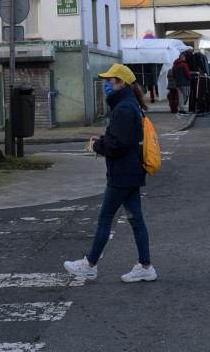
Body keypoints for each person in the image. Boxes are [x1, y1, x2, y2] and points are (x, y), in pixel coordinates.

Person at [64, 63, 157, 282]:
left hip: (123, 173)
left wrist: (98, 146)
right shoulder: (128, 104)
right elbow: (123, 138)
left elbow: (120, 144)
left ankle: (90, 264)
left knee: (105, 218)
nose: (108, 84)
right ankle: (145, 266)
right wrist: (104, 140)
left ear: (121, 83)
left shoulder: (124, 107)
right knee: (136, 220)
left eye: (111, 81)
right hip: (132, 170)